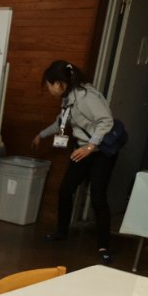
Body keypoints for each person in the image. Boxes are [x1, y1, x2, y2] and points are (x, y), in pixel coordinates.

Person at [32, 60, 118, 264]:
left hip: (99, 153)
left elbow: (106, 120)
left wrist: (91, 146)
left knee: (97, 198)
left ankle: (104, 245)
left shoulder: (86, 96)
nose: (49, 89)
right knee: (65, 191)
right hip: (81, 150)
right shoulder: (68, 98)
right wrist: (41, 135)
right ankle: (61, 231)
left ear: (59, 83)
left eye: (49, 85)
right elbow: (61, 122)